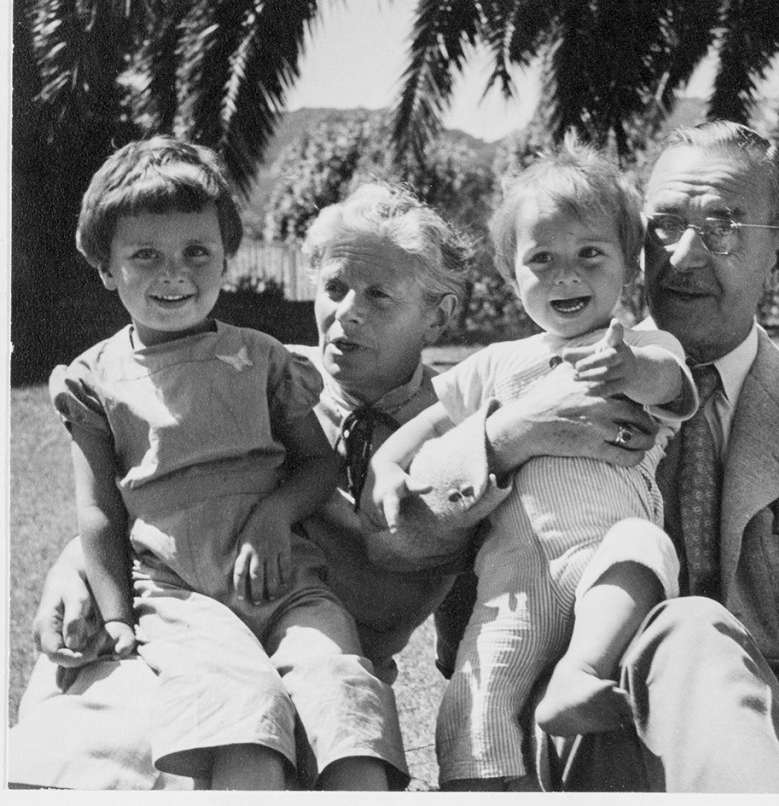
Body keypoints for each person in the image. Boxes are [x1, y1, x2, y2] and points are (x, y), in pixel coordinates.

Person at [386, 120, 779, 793]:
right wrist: (510, 436)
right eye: (664, 226)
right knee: (692, 626)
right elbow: (393, 535)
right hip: (598, 719)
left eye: (722, 227)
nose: (683, 255)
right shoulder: (535, 379)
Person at [9, 178, 473, 791]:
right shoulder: (258, 371)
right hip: (184, 620)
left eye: (379, 295)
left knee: (318, 733)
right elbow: (157, 477)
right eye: (334, 288)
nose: (346, 313)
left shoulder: (463, 430)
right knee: (101, 747)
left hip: (319, 652)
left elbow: (492, 588)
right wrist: (74, 564)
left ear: (439, 316)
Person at [369, 139, 697, 789]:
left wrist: (630, 368)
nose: (565, 276)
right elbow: (429, 421)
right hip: (517, 571)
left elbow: (671, 383)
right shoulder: (497, 362)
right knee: (475, 698)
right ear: (509, 270)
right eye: (542, 259)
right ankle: (482, 784)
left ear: (630, 266)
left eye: (590, 255)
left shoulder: (643, 343)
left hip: (605, 552)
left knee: (645, 545)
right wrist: (386, 463)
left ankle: (582, 671)